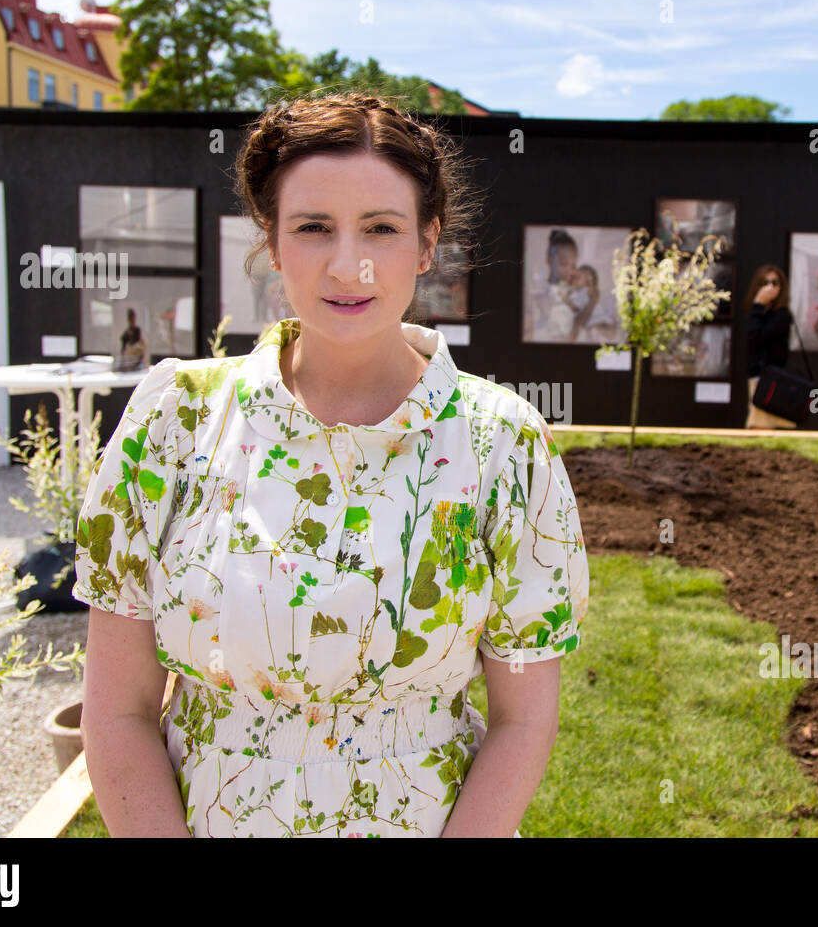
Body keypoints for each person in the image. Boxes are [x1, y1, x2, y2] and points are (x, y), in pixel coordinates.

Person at [75, 91, 590, 838]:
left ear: (425, 244)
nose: (349, 265)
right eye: (314, 228)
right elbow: (118, 711)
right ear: (273, 242)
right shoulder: (174, 420)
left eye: (380, 228)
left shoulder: (503, 443)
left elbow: (523, 718)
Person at [744, 264, 797, 429]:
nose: (769, 287)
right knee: (758, 425)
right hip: (757, 376)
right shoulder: (758, 312)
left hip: (770, 378)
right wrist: (758, 307)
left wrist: (758, 305)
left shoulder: (782, 315)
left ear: (782, 288)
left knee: (760, 426)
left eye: (775, 283)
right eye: (765, 283)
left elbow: (758, 338)